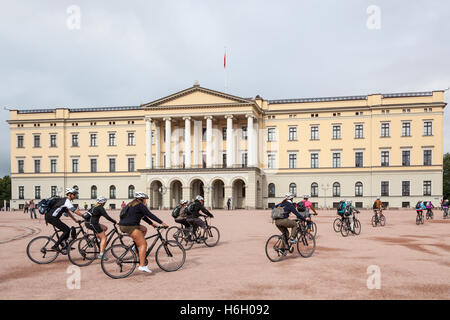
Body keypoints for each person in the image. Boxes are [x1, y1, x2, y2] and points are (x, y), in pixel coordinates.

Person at [118, 192, 168, 274]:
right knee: (143, 244)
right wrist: (162, 223)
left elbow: (143, 216)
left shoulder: (131, 204)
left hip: (123, 225)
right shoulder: (140, 205)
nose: (146, 201)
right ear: (142, 199)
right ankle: (142, 266)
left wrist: (152, 224)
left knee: (144, 229)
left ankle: (136, 245)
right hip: (131, 226)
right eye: (145, 199)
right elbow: (150, 215)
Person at [45, 188, 84, 253]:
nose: (75, 196)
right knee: (67, 230)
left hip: (51, 217)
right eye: (74, 194)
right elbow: (73, 210)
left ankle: (64, 245)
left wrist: (75, 220)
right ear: (69, 194)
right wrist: (83, 216)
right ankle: (56, 246)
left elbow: (68, 212)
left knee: (66, 230)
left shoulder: (64, 201)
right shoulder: (66, 201)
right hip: (52, 217)